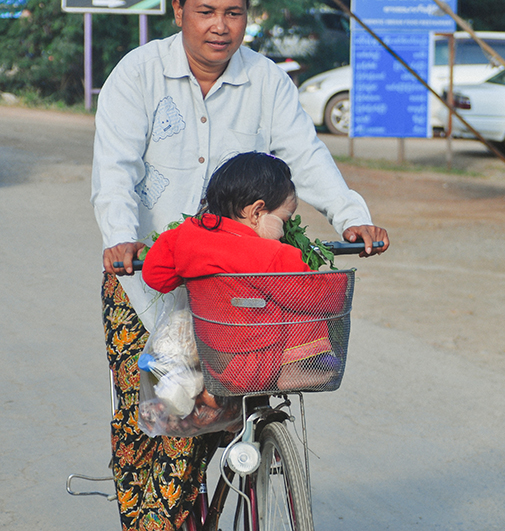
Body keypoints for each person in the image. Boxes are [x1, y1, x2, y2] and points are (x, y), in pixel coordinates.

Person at [90, 0, 388, 527]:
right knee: (163, 427)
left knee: (241, 400)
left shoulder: (266, 81)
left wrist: (350, 215)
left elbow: (304, 155)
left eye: (234, 12)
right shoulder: (138, 74)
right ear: (178, 9)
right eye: (206, 10)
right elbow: (114, 166)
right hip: (146, 285)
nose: (220, 26)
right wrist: (120, 238)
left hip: (233, 295)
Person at [142, 152, 348, 394]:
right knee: (307, 301)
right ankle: (297, 369)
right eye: (284, 220)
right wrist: (337, 286)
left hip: (214, 361)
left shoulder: (184, 235)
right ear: (257, 212)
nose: (283, 233)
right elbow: (322, 298)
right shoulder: (271, 253)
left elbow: (155, 276)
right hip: (261, 365)